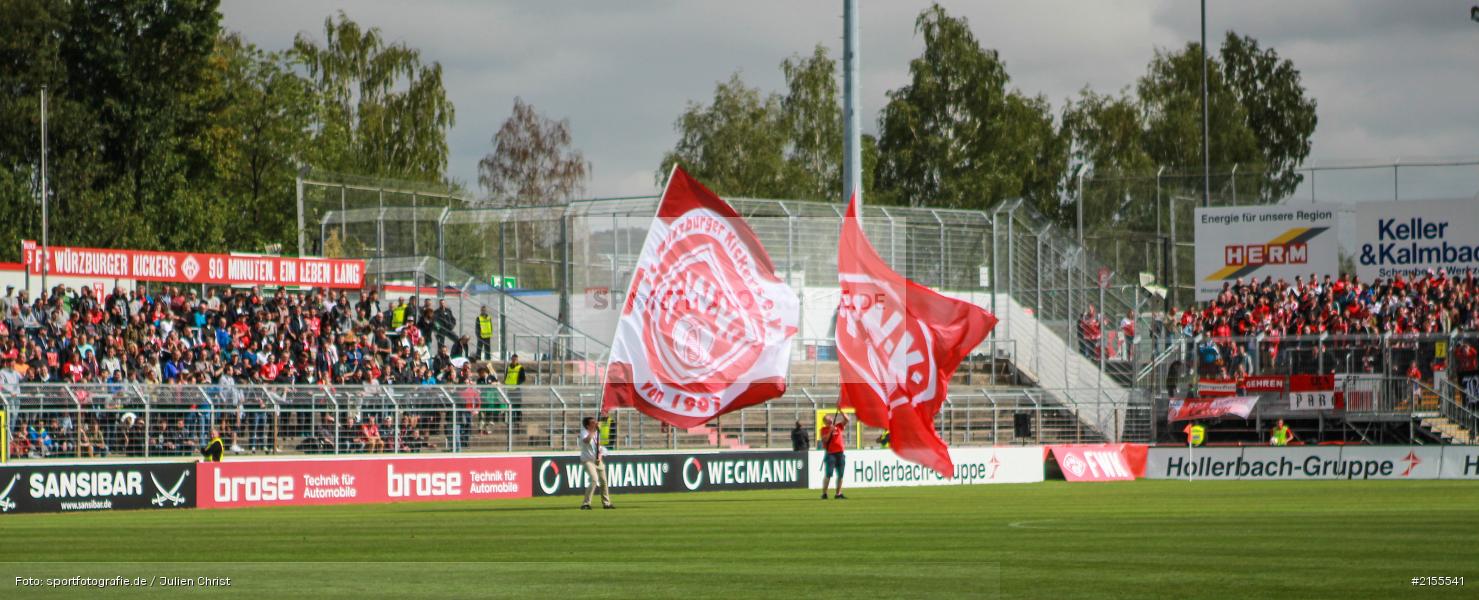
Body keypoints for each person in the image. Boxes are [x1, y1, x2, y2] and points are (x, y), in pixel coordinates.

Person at [579, 416, 614, 510]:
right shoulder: (584, 432)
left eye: (595, 421)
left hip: (597, 460)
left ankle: (606, 503)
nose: (595, 423)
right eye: (592, 422)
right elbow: (587, 441)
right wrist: (594, 430)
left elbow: (599, 447)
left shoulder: (596, 433)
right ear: (587, 425)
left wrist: (600, 456)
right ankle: (586, 503)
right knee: (594, 479)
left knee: (604, 482)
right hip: (588, 460)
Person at [820, 407, 849, 499]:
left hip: (840, 453)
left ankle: (838, 493)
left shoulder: (839, 426)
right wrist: (830, 431)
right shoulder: (823, 430)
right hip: (831, 454)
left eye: (830, 419)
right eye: (828, 420)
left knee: (841, 474)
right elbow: (825, 440)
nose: (830, 421)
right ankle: (824, 493)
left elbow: (847, 419)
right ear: (825, 422)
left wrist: (841, 410)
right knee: (828, 474)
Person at [504, 354, 526, 424]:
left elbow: (523, 378)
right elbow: (506, 377)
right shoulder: (508, 367)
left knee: (517, 405)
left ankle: (518, 420)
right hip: (509, 389)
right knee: (510, 405)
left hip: (516, 389)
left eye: (515, 360)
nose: (514, 361)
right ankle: (511, 420)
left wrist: (517, 383)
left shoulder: (520, 367)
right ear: (511, 359)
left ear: (517, 360)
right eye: (513, 359)